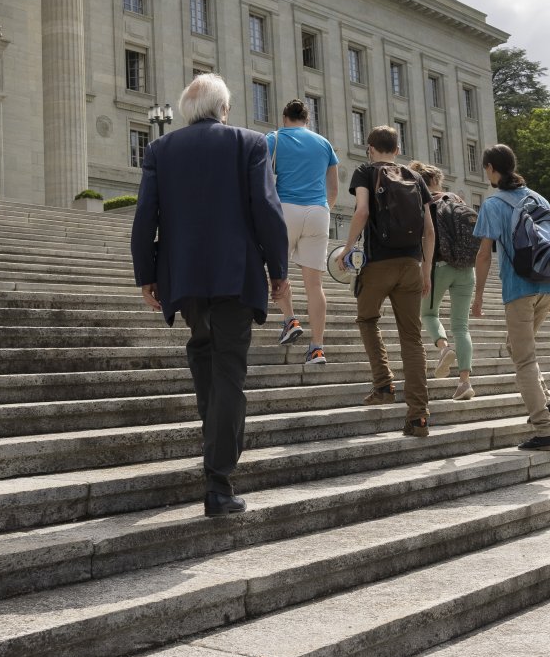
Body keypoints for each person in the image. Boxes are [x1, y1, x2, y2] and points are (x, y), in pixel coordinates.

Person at [131, 73, 288, 516]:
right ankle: (219, 482)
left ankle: (215, 444)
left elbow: (146, 214)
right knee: (228, 371)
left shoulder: (161, 148)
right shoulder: (250, 143)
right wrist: (278, 270)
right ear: (224, 108)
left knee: (204, 352)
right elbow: (267, 209)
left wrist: (146, 272)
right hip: (236, 274)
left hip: (183, 276)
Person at [342, 126, 434, 436]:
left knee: (367, 318)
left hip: (379, 264)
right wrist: (426, 269)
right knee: (412, 338)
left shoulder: (365, 171)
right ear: (397, 149)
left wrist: (348, 247)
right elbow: (429, 230)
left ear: (370, 148)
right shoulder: (414, 176)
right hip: (411, 264)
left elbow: (363, 211)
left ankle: (383, 384)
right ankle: (418, 415)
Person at [472, 144, 550, 451]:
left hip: (519, 290)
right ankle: (547, 402)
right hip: (548, 286)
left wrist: (479, 295)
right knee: (515, 346)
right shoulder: (538, 197)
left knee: (524, 359)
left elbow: (484, 255)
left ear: (490, 169)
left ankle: (544, 429)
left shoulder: (493, 204)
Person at [266, 99, 340, 366]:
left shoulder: (274, 138)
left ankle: (290, 320)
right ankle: (317, 348)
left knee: (277, 271)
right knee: (315, 285)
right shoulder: (324, 144)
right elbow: (333, 190)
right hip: (319, 211)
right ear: (307, 119)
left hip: (286, 210)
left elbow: (259, 176)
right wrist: (322, 210)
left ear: (285, 117)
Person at [410, 161, 476, 402]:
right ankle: (464, 382)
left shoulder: (424, 203)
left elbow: (425, 238)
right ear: (438, 181)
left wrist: (423, 273)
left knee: (427, 314)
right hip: (467, 269)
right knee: (461, 326)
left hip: (439, 267)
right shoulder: (459, 201)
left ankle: (443, 347)